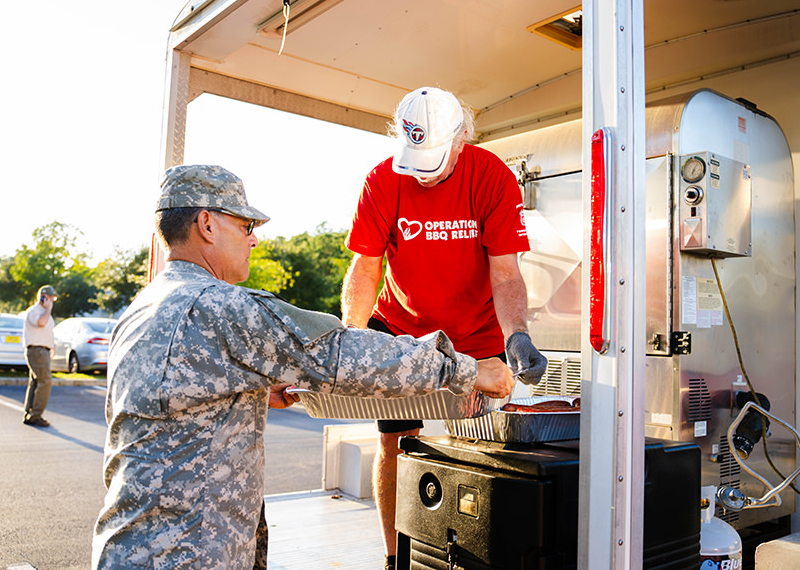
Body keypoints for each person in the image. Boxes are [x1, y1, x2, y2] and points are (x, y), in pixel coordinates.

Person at [91, 164, 513, 570]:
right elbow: (344, 355)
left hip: (132, 548)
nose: (254, 240)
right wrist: (468, 370)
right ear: (206, 224)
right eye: (246, 226)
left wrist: (254, 390)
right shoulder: (221, 306)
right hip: (188, 556)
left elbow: (175, 398)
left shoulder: (142, 310)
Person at [342, 86, 548, 570]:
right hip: (401, 332)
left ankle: (475, 554)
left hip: (476, 336)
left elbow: (506, 274)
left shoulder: (493, 177)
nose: (425, 175)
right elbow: (366, 267)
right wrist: (350, 336)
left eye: (435, 160)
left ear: (462, 138)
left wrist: (517, 335)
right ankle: (395, 558)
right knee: (396, 441)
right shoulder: (382, 180)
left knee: (482, 443)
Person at [22, 284, 58, 427]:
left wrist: (52, 345)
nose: (52, 301)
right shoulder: (35, 311)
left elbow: (46, 330)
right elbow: (41, 323)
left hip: (43, 351)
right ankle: (35, 415)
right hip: (37, 351)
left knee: (35, 382)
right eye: (50, 297)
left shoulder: (44, 312)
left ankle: (30, 413)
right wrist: (48, 308)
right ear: (43, 297)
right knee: (45, 382)